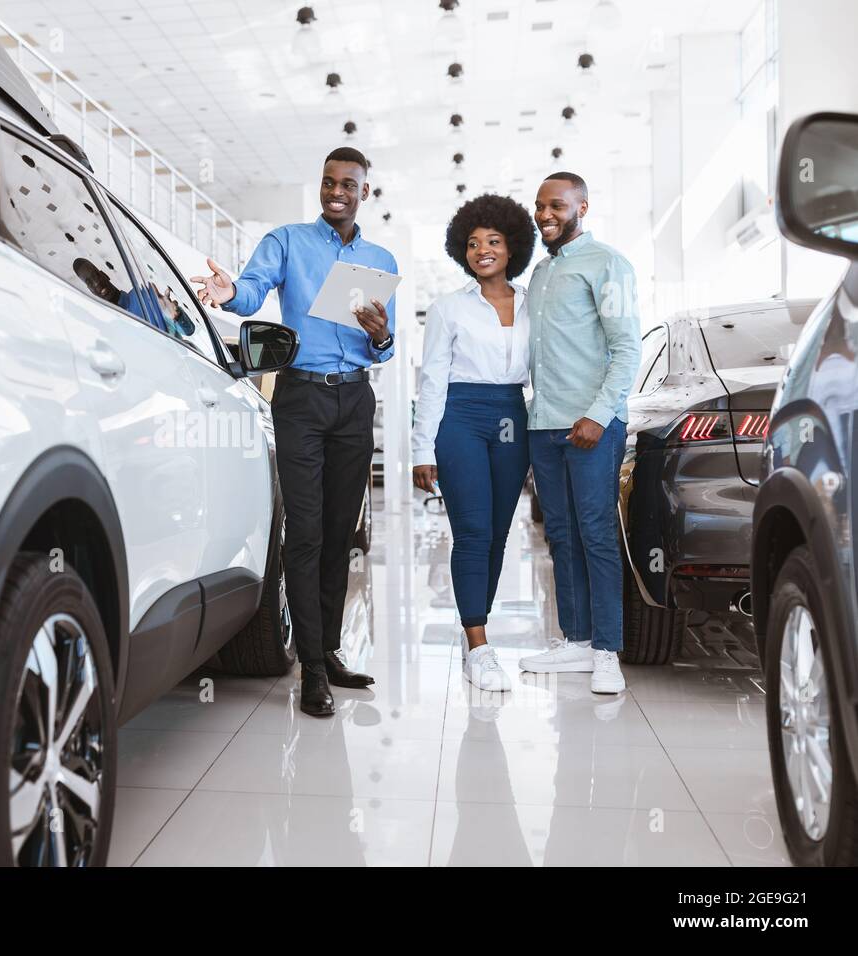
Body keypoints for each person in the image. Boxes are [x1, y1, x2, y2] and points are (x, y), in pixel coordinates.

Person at [191, 146, 396, 717]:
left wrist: (380, 334)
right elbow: (254, 290)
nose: (337, 192)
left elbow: (388, 343)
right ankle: (309, 668)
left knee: (339, 533)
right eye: (329, 181)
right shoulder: (287, 242)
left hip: (356, 399)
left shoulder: (378, 258)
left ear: (364, 193)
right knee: (304, 531)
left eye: (348, 185)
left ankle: (328, 651)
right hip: (301, 396)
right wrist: (230, 292)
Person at [516, 172, 641, 694]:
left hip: (591, 425)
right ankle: (576, 640)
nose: (546, 214)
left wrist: (597, 413)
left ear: (582, 207)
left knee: (596, 534)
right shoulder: (541, 273)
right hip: (543, 425)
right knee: (561, 535)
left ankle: (608, 651)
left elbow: (626, 348)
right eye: (540, 206)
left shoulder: (607, 263)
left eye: (557, 206)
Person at [410, 194, 536, 691]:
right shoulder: (447, 308)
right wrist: (423, 449)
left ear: (513, 246)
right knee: (473, 532)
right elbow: (432, 380)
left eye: (493, 240)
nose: (482, 250)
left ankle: (475, 624)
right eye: (472, 243)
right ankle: (479, 645)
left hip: (511, 415)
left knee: (500, 535)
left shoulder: (533, 302)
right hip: (459, 417)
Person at [71, 257, 170, 333]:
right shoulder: (112, 330)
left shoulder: (144, 295)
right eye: (90, 283)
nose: (97, 283)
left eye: (96, 275)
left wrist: (177, 317)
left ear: (105, 275)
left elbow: (184, 330)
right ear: (91, 292)